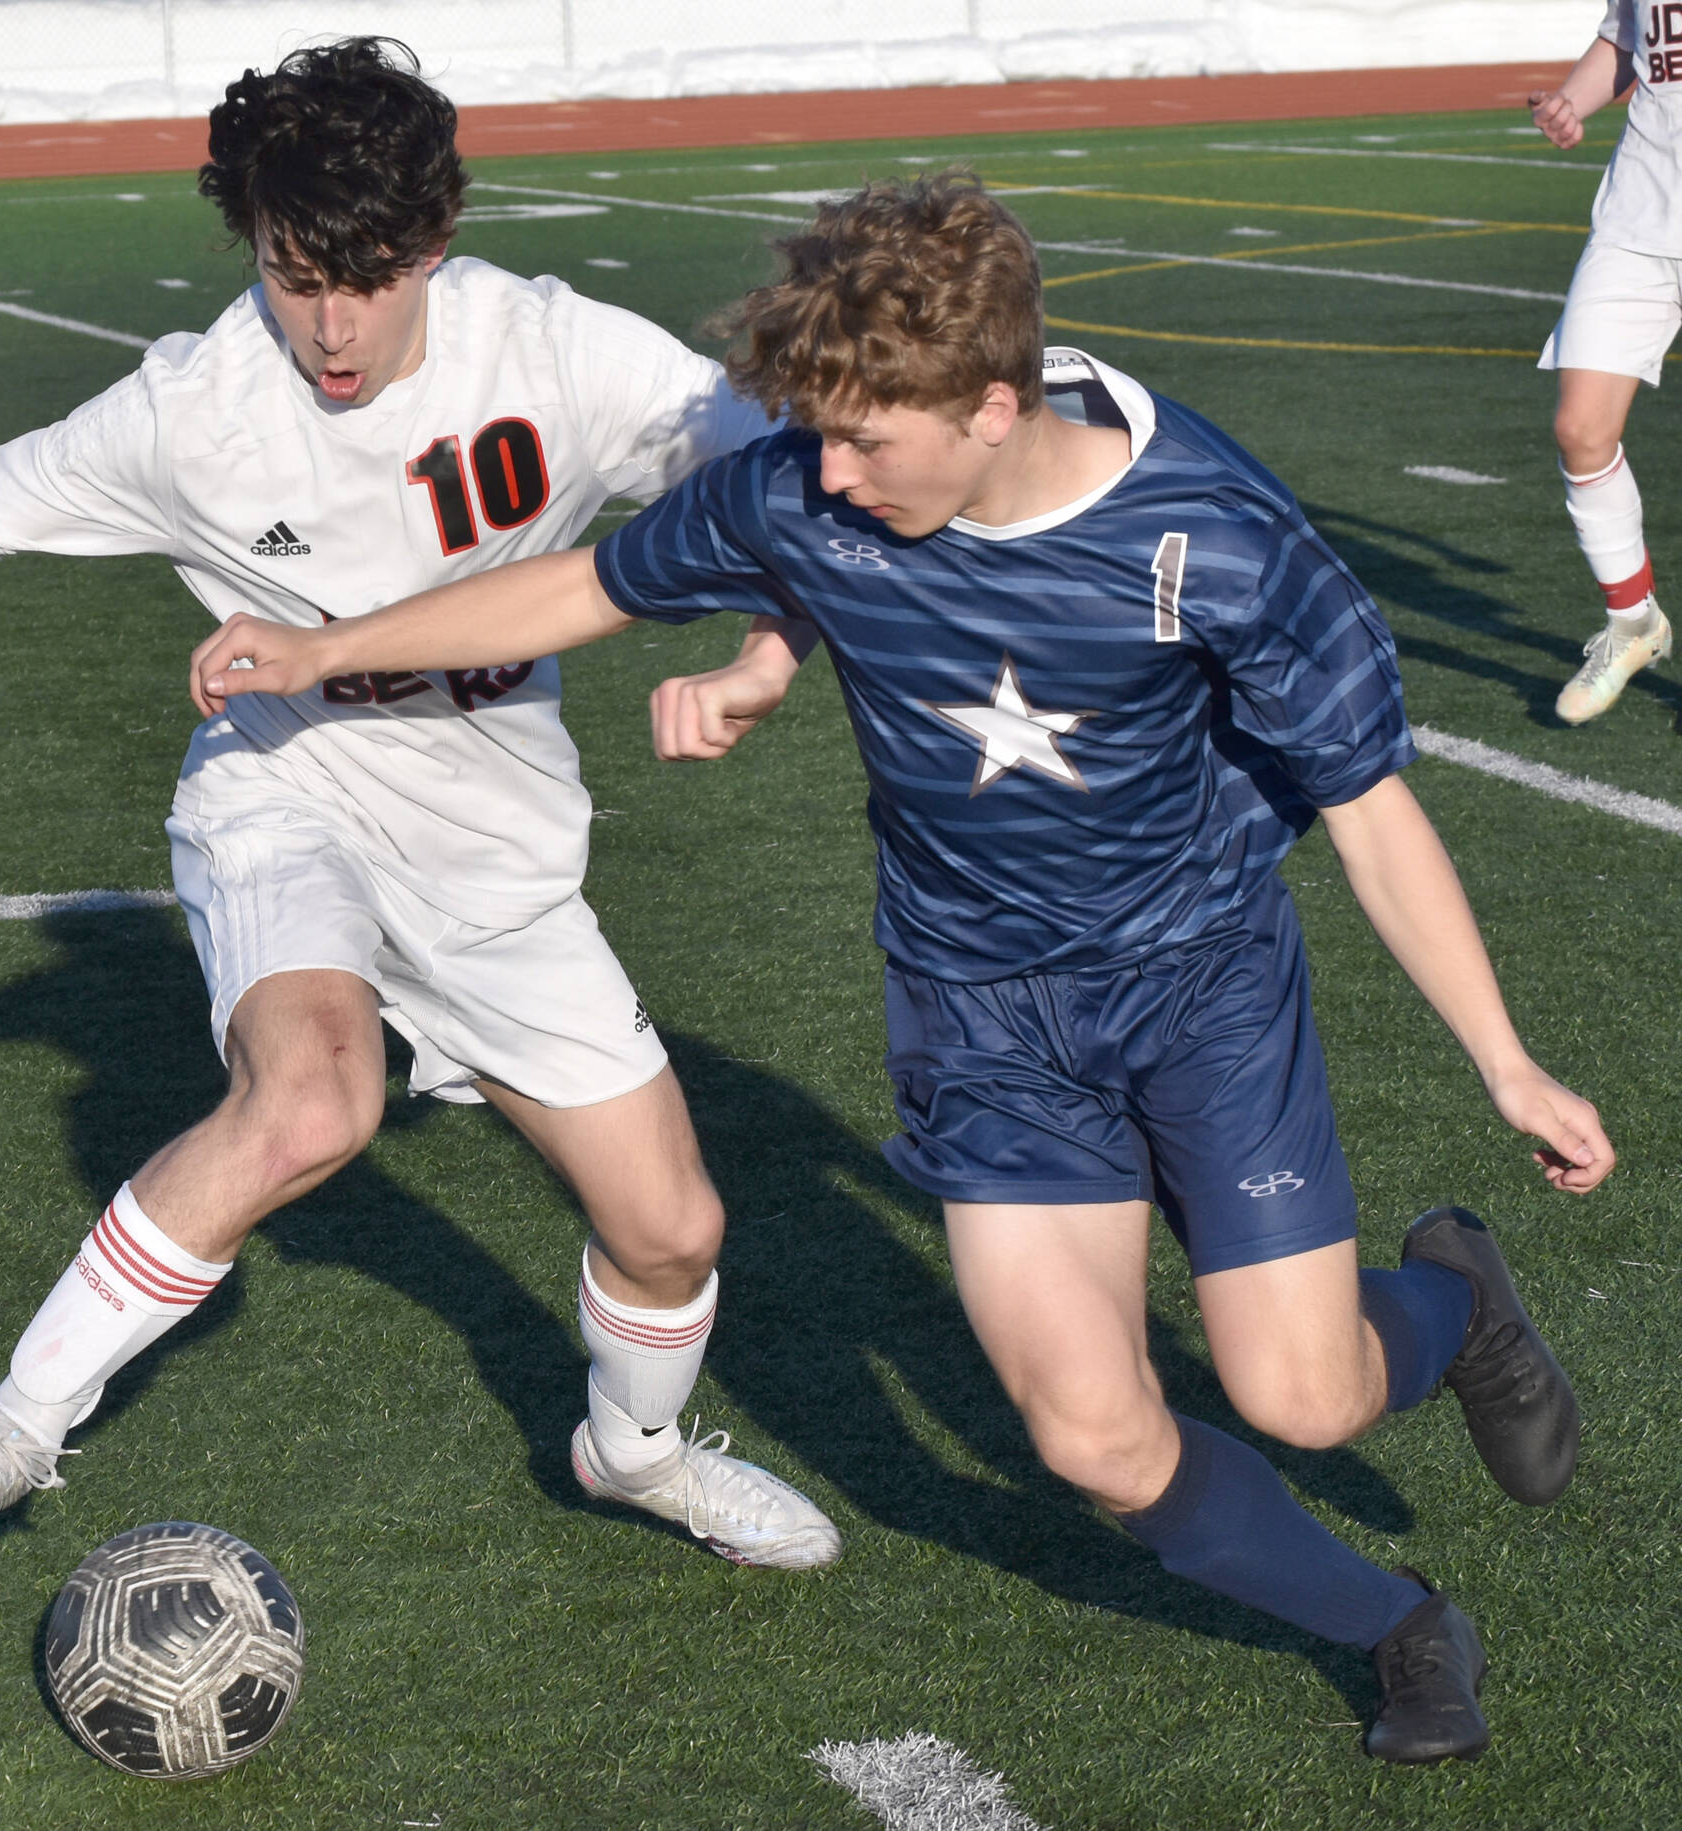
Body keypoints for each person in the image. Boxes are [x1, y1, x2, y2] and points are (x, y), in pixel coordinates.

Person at [187, 174, 1617, 1763]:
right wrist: (328, 647)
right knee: (1089, 1431)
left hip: (1201, 983)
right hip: (982, 1012)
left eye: (869, 441)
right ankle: (1400, 1621)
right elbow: (591, 585)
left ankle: (1455, 1298)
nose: (830, 474)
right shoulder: (815, 481)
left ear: (992, 405)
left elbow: (1371, 811)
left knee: (1302, 1395)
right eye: (822, 436)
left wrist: (1506, 1059)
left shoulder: (1217, 537)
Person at [0, 37, 841, 1572]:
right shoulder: (195, 410)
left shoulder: (564, 353)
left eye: (368, 278)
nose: (330, 321)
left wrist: (766, 661)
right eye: (292, 271)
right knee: (313, 1098)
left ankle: (632, 1457)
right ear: (249, 240)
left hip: (496, 840)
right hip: (282, 793)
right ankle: (7, 1430)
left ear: (434, 241)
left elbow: (792, 490)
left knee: (673, 1229)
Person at [1531, 7, 1677, 722]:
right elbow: (1630, 38)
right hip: (1638, 217)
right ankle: (1634, 623)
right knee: (1581, 429)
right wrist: (1572, 101)